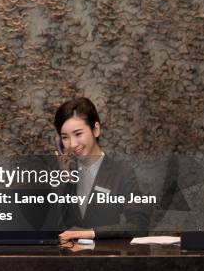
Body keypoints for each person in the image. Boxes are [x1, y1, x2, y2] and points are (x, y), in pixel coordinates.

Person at [53, 97, 148, 244]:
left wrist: (91, 233)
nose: (72, 144)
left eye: (78, 134)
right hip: (65, 261)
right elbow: (48, 228)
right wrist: (63, 182)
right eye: (65, 137)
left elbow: (139, 226)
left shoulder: (121, 173)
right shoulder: (62, 175)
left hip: (104, 261)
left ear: (96, 129)